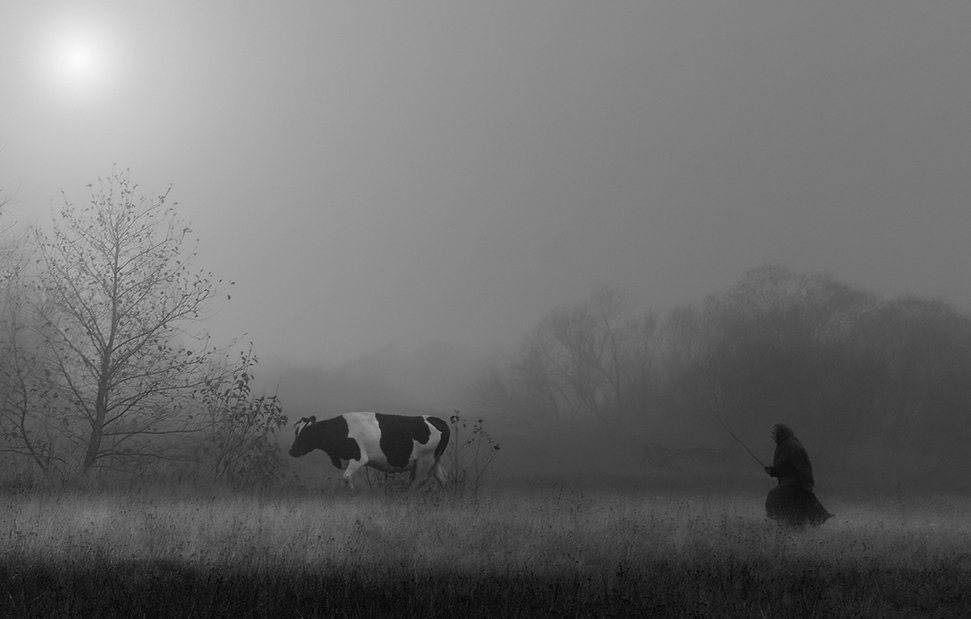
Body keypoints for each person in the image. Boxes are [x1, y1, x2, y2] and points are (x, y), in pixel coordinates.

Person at [764, 423, 834, 527]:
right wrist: (773, 471)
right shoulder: (783, 445)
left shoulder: (793, 446)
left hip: (796, 482)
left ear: (780, 433)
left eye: (773, 433)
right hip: (789, 482)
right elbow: (786, 467)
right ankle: (791, 527)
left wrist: (807, 485)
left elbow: (803, 467)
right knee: (794, 508)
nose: (771, 435)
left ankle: (784, 522)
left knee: (775, 497)